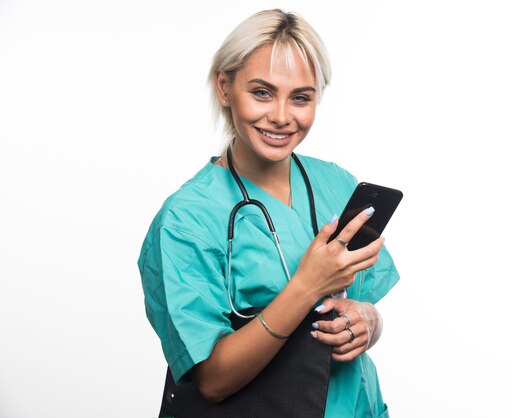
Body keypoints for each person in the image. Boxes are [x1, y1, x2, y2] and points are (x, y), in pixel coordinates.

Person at [138, 9, 400, 418]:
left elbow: (359, 304)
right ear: (225, 87)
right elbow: (212, 381)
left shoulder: (335, 184)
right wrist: (306, 286)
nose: (281, 116)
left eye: (301, 97)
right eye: (262, 92)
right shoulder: (187, 219)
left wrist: (368, 321)